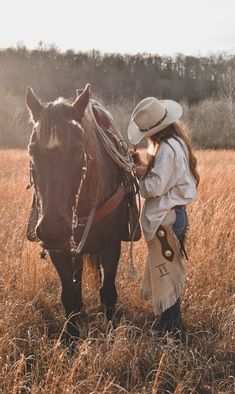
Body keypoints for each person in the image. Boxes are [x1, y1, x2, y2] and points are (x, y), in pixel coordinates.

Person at [127, 97, 199, 336]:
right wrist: (143, 167)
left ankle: (170, 332)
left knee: (166, 277)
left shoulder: (166, 149)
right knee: (168, 274)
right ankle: (171, 326)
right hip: (174, 217)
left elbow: (155, 187)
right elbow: (164, 178)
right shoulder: (176, 142)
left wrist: (138, 176)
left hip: (166, 221)